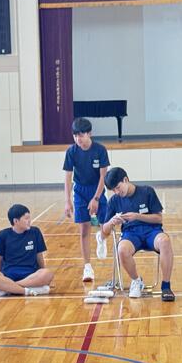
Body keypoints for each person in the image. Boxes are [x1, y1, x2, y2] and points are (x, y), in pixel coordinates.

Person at [100, 167, 175, 301]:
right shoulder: (114, 201)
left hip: (152, 231)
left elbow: (159, 218)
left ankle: (166, 286)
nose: (117, 192)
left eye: (118, 188)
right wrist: (111, 222)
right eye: (113, 190)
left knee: (165, 241)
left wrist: (137, 216)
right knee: (122, 249)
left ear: (126, 180)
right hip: (131, 234)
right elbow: (104, 232)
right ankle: (136, 281)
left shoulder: (147, 192)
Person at [63, 118, 109, 282]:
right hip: (80, 191)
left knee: (106, 225)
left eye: (81, 135)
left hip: (97, 188)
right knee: (84, 229)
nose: (78, 139)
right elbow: (68, 177)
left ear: (89, 134)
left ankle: (101, 238)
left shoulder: (100, 150)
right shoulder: (71, 151)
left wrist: (96, 198)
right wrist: (67, 201)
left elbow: (103, 177)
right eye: (75, 135)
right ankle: (88, 267)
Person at [0, 204, 54, 297]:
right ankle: (26, 291)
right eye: (26, 218)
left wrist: (44, 273)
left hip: (30, 275)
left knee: (47, 273)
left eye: (29, 218)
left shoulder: (35, 232)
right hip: (8, 276)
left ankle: (8, 288)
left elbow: (39, 255)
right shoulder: (2, 235)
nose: (29, 221)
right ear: (16, 221)